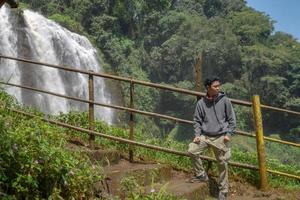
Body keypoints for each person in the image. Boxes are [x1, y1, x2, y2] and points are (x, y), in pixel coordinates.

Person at [188, 76, 236, 200]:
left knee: (223, 163)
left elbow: (232, 120)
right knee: (192, 150)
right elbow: (197, 121)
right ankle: (201, 174)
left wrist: (228, 135)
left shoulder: (225, 100)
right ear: (208, 87)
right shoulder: (201, 103)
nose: (218, 88)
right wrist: (197, 136)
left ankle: (223, 191)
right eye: (215, 86)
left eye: (219, 86)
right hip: (206, 136)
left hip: (221, 136)